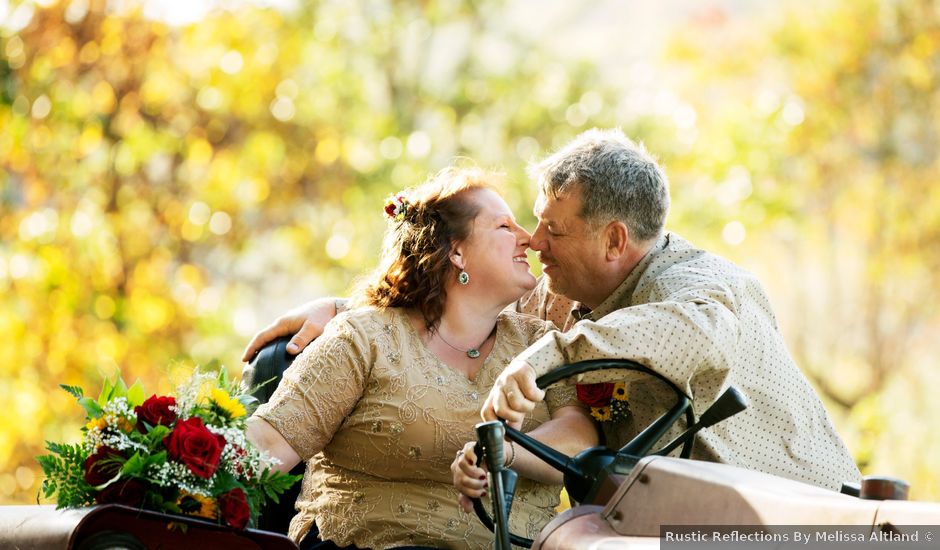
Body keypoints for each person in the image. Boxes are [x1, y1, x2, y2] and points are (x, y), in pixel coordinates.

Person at [243, 129, 861, 495]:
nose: (534, 242)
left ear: (614, 240)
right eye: (527, 224)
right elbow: (458, 302)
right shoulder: (565, 291)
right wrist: (342, 307)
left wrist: (554, 356)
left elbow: (693, 335)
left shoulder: (708, 288)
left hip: (801, 514)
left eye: (551, 229)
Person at [246, 167, 598, 550]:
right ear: (456, 252)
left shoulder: (539, 341)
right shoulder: (366, 337)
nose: (528, 239)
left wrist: (502, 451)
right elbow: (268, 445)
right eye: (504, 227)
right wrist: (183, 466)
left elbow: (579, 442)